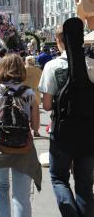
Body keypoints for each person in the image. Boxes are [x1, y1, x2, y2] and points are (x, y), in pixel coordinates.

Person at [38, 25, 94, 217]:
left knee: (59, 178)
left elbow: (46, 105)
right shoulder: (91, 64)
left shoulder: (52, 66)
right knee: (85, 184)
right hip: (88, 130)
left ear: (59, 41)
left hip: (63, 132)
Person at [0, 54, 41, 217]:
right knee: (21, 197)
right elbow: (35, 126)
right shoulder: (29, 93)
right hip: (24, 149)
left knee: (1, 192)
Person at [23, 56, 42, 137]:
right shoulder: (39, 70)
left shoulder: (22, 70)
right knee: (36, 113)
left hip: (23, 94)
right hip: (35, 93)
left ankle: (26, 131)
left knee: (24, 113)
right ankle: (36, 131)